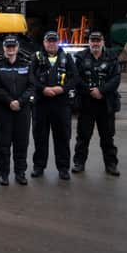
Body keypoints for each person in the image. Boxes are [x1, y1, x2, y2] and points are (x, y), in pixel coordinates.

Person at [73, 30, 122, 176]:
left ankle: (111, 165)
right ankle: (79, 163)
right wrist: (90, 91)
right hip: (87, 103)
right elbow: (76, 78)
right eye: (92, 41)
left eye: (97, 41)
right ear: (89, 42)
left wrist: (101, 91)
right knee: (83, 137)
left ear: (102, 42)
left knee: (107, 137)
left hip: (106, 103)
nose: (95, 43)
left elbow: (116, 79)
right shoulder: (80, 57)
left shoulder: (112, 57)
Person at [31, 31, 78, 180]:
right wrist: (42, 88)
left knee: (63, 137)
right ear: (44, 43)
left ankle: (63, 168)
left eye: (54, 41)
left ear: (58, 43)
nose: (51, 44)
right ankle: (39, 166)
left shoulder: (67, 58)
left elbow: (74, 77)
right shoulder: (36, 58)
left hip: (61, 104)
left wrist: (62, 89)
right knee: (40, 137)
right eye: (48, 41)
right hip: (41, 104)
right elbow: (30, 77)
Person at [0, 35, 34, 186]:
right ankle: (3, 174)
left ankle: (20, 172)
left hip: (22, 110)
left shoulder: (26, 64)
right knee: (3, 144)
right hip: (3, 111)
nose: (10, 49)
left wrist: (20, 102)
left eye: (13, 47)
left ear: (17, 48)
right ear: (4, 48)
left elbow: (31, 86)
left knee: (21, 143)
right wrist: (10, 101)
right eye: (8, 47)